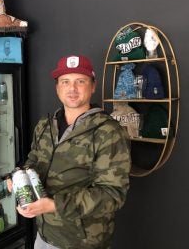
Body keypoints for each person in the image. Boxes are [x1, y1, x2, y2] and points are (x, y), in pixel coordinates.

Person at [8, 55, 131, 249]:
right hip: (44, 234)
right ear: (57, 88)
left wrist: (54, 205)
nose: (72, 89)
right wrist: (17, 177)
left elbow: (112, 195)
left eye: (80, 81)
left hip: (81, 242)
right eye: (65, 82)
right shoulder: (45, 125)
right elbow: (32, 162)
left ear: (93, 86)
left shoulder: (108, 132)